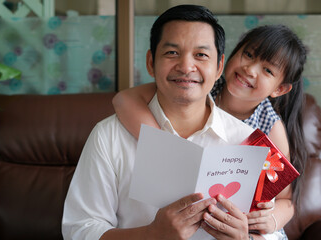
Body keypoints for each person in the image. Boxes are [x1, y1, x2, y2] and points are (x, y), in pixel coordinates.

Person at [63, 5, 273, 240]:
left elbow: (270, 231)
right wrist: (151, 235)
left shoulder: (250, 145)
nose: (185, 67)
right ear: (151, 62)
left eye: (201, 55)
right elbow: (80, 229)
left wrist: (246, 238)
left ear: (219, 67)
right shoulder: (108, 135)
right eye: (172, 53)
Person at [112, 24, 308, 239]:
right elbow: (123, 99)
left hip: (243, 227)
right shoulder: (199, 87)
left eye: (267, 70)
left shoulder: (270, 127)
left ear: (279, 89)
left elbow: (287, 199)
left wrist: (269, 221)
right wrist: (163, 146)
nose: (250, 69)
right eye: (248, 55)